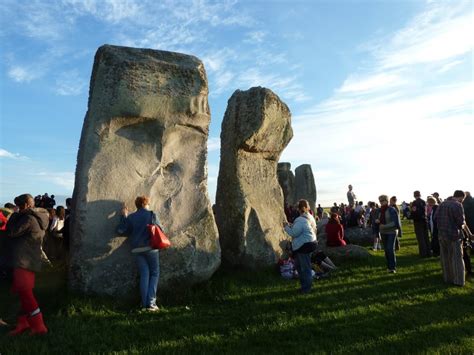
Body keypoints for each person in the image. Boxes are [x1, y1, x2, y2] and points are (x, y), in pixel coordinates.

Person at [6, 194, 49, 335]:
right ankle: (22, 323)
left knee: (26, 294)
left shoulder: (29, 219)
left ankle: (39, 326)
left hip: (24, 261)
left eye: (18, 206)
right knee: (22, 293)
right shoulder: (36, 217)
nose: (17, 209)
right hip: (29, 260)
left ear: (26, 205)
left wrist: (13, 216)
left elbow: (11, 232)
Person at [117, 196, 161, 311]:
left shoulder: (131, 217)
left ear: (137, 205)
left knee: (144, 275)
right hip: (151, 248)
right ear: (146, 204)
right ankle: (151, 304)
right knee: (154, 274)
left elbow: (121, 230)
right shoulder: (151, 215)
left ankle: (144, 303)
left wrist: (124, 216)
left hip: (136, 249)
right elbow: (160, 230)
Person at [284, 199, 318, 294]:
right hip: (311, 243)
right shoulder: (310, 217)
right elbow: (309, 228)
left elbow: (294, 233)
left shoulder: (300, 219)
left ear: (299, 209)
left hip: (304, 246)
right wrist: (293, 225)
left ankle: (306, 289)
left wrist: (286, 226)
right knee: (299, 265)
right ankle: (305, 285)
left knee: (305, 268)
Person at [434, 190, 467, 286]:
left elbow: (435, 218)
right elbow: (461, 222)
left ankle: (447, 278)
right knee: (456, 259)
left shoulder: (442, 204)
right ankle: (458, 281)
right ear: (461, 197)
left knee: (445, 258)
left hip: (441, 234)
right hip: (454, 236)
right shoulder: (457, 205)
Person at [377, 195, 401, 273]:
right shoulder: (379, 210)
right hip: (383, 232)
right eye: (380, 201)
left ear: (387, 201)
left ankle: (392, 268)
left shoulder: (391, 210)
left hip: (392, 232)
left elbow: (395, 223)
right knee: (386, 250)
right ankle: (388, 266)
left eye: (383, 200)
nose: (381, 202)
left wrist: (384, 226)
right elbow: (377, 220)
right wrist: (377, 221)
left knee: (390, 249)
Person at [411, 191, 431, 257]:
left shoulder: (414, 203)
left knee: (420, 238)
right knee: (426, 237)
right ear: (420, 195)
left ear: (414, 195)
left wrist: (410, 216)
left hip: (418, 221)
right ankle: (429, 252)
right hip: (424, 220)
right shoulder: (424, 202)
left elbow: (414, 212)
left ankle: (423, 253)